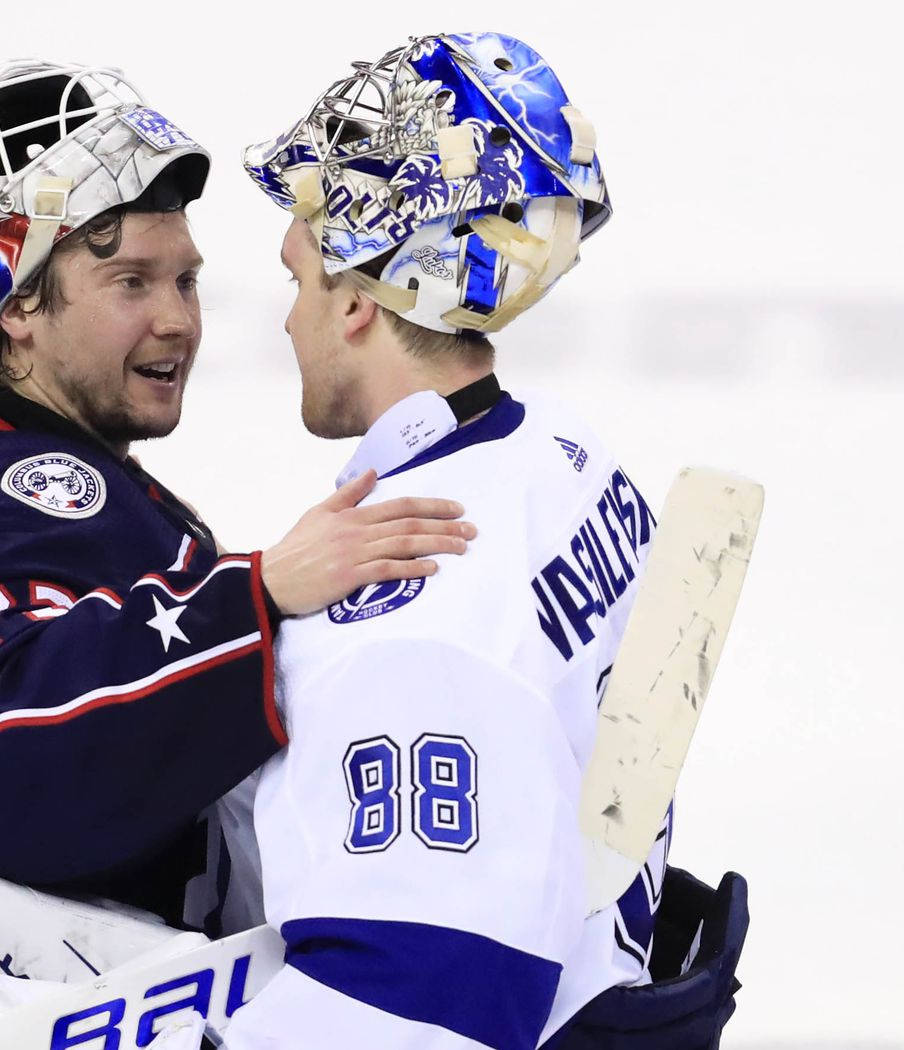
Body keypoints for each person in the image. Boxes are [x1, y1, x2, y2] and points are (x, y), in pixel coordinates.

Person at [0, 60, 476, 1050]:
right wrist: (257, 596)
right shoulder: (22, 501)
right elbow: (11, 776)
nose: (176, 319)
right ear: (15, 305)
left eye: (185, 278)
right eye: (129, 282)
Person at [221, 33, 746, 1049]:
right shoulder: (562, 453)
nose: (289, 321)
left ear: (359, 298)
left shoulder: (411, 614)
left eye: (297, 280)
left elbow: (420, 1004)